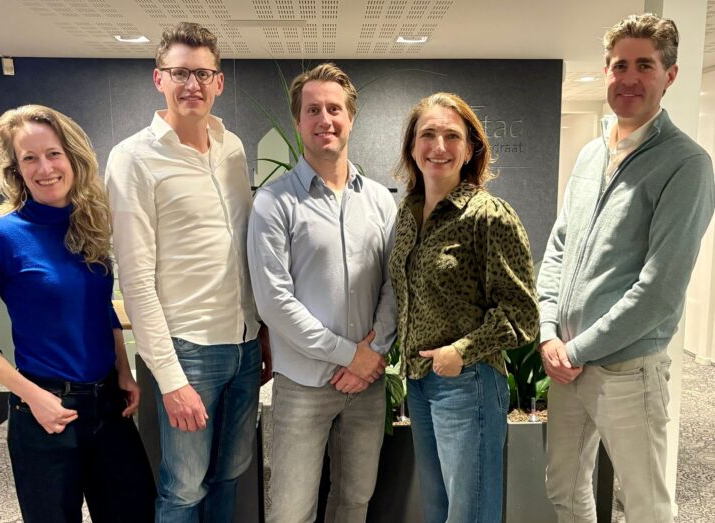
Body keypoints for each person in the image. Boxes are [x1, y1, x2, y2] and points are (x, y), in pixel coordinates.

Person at [537, 13, 715, 523]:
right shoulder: (591, 155)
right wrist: (548, 331)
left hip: (627, 370)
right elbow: (559, 246)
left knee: (646, 505)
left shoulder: (686, 164)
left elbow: (658, 291)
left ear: (670, 75)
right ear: (606, 71)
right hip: (567, 362)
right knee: (564, 490)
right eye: (620, 65)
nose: (629, 78)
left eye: (644, 65)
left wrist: (575, 350)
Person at [0, 104, 155, 522]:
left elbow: (100, 307)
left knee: (136, 513)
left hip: (108, 405)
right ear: (16, 169)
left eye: (53, 154)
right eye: (30, 158)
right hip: (45, 411)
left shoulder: (90, 225)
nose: (44, 168)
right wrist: (34, 396)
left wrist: (123, 370)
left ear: (73, 157)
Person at [105, 22, 270, 522]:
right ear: (160, 78)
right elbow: (136, 281)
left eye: (202, 73)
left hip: (243, 345)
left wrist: (261, 332)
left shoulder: (232, 147)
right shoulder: (133, 159)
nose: (191, 84)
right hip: (188, 350)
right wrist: (171, 380)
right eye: (180, 73)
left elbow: (242, 251)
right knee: (183, 488)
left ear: (219, 81)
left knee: (230, 474)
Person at [247, 63, 398, 523]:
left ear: (351, 118)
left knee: (354, 501)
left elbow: (395, 283)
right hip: (303, 385)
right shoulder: (273, 202)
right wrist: (349, 355)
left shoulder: (380, 200)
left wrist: (373, 353)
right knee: (291, 512)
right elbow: (274, 302)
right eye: (313, 110)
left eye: (334, 109)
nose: (324, 119)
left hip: (367, 384)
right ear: (298, 122)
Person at [388, 92, 539, 523]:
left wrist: (461, 351)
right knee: (438, 509)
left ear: (470, 148)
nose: (439, 146)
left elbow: (523, 314)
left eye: (452, 136)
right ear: (412, 146)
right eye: (428, 134)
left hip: (467, 381)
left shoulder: (488, 215)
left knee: (469, 513)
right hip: (420, 383)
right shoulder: (408, 213)